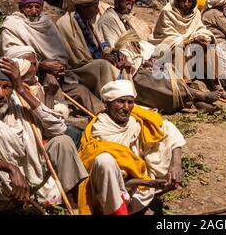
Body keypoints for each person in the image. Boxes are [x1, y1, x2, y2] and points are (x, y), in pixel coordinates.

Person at [0, 57, 88, 214]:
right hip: (2, 185)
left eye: (6, 87)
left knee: (63, 142)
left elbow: (58, 128)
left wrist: (21, 89)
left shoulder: (20, 101)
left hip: (35, 179)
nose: (0, 94)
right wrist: (10, 168)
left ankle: (72, 208)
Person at [77, 79, 185, 215]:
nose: (126, 107)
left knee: (164, 128)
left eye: (130, 102)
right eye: (121, 102)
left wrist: (176, 164)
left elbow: (170, 131)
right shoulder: (100, 130)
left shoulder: (136, 120)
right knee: (104, 160)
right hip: (109, 192)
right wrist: (149, 183)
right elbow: (116, 179)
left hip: (138, 186)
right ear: (107, 104)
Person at [0, 0, 104, 115]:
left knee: (81, 91)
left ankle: (104, 120)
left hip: (59, 78)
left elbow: (60, 54)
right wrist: (41, 66)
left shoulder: (47, 24)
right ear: (20, 8)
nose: (34, 10)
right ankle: (55, 118)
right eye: (29, 7)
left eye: (37, 7)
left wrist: (59, 66)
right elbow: (13, 58)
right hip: (26, 82)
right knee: (50, 80)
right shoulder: (12, 25)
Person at [151, 0, 226, 100]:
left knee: (208, 47)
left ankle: (215, 85)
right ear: (177, 0)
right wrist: (191, 40)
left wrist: (203, 37)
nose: (186, 4)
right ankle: (187, 89)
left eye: (189, 1)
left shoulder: (195, 12)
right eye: (183, 0)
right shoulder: (168, 11)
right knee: (178, 49)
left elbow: (200, 29)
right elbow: (168, 37)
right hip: (168, 47)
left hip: (189, 44)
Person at [56, 0, 121, 98]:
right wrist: (101, 58)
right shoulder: (65, 24)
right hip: (77, 70)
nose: (97, 11)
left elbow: (99, 44)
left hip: (92, 62)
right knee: (103, 65)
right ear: (83, 8)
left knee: (120, 61)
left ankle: (125, 97)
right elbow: (78, 59)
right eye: (94, 7)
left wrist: (112, 52)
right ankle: (112, 99)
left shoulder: (88, 21)